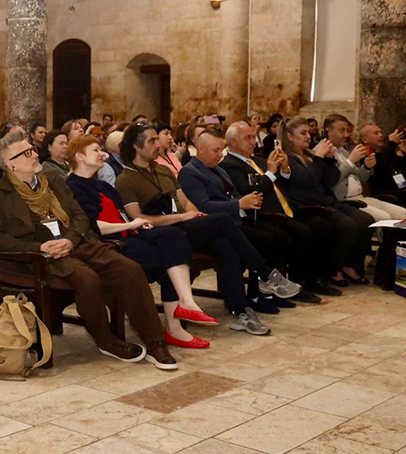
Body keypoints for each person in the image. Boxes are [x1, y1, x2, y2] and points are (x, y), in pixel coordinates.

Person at [0, 130, 177, 368]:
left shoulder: (54, 180)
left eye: (32, 149)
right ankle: (107, 341)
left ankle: (156, 343)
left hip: (77, 242)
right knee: (88, 279)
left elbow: (79, 215)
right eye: (26, 153)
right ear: (10, 165)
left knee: (130, 269)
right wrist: (39, 246)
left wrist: (71, 240)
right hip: (44, 256)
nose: (34, 154)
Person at [116, 122, 301, 329]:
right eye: (152, 140)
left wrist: (195, 215)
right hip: (162, 234)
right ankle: (266, 275)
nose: (158, 144)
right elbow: (138, 219)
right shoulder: (125, 180)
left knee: (224, 244)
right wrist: (182, 218)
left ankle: (240, 311)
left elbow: (185, 202)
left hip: (184, 226)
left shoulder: (163, 171)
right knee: (222, 220)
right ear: (136, 146)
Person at [65, 135, 217, 349]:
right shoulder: (73, 186)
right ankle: (175, 327)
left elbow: (122, 215)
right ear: (79, 156)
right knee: (170, 261)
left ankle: (185, 303)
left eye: (101, 150)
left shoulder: (103, 186)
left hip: (129, 233)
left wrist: (137, 224)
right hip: (108, 242)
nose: (103, 154)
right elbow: (91, 227)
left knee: (173, 236)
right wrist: (131, 225)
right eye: (95, 150)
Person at [180, 129, 313, 306]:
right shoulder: (190, 172)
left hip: (235, 218)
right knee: (264, 239)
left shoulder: (218, 169)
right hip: (216, 225)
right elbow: (205, 206)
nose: (220, 155)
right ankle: (262, 287)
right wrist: (240, 204)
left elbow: (233, 194)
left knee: (278, 236)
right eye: (215, 151)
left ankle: (267, 290)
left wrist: (248, 201)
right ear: (200, 149)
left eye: (222, 150)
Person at [219, 121, 328, 302]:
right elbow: (251, 190)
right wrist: (270, 172)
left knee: (316, 228)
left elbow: (282, 183)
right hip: (262, 215)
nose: (253, 142)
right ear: (233, 142)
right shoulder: (230, 165)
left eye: (254, 137)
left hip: (284, 211)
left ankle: (307, 280)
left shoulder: (257, 161)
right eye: (248, 138)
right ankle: (289, 285)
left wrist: (284, 168)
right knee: (297, 234)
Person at [275, 117, 375, 286]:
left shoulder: (309, 154)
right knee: (347, 225)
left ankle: (349, 265)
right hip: (308, 206)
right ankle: (333, 271)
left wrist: (328, 160)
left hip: (326, 200)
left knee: (366, 221)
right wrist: (320, 157)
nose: (308, 136)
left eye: (308, 132)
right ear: (290, 136)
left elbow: (330, 180)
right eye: (303, 133)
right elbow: (309, 180)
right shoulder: (286, 158)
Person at [324, 116, 406, 221]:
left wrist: (366, 167)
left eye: (347, 131)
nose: (346, 135)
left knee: (403, 214)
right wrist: (350, 161)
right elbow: (332, 180)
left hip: (360, 197)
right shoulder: (321, 152)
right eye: (342, 130)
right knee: (384, 217)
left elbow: (360, 179)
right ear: (328, 131)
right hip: (345, 201)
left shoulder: (343, 151)